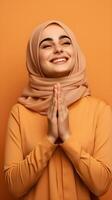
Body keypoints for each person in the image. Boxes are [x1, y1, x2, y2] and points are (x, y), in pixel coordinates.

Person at [4, 20, 112, 200]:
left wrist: (67, 138)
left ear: (74, 51)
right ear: (34, 57)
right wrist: (50, 139)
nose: (58, 49)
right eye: (46, 45)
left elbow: (102, 185)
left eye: (65, 42)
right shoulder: (20, 113)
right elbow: (14, 188)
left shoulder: (99, 110)